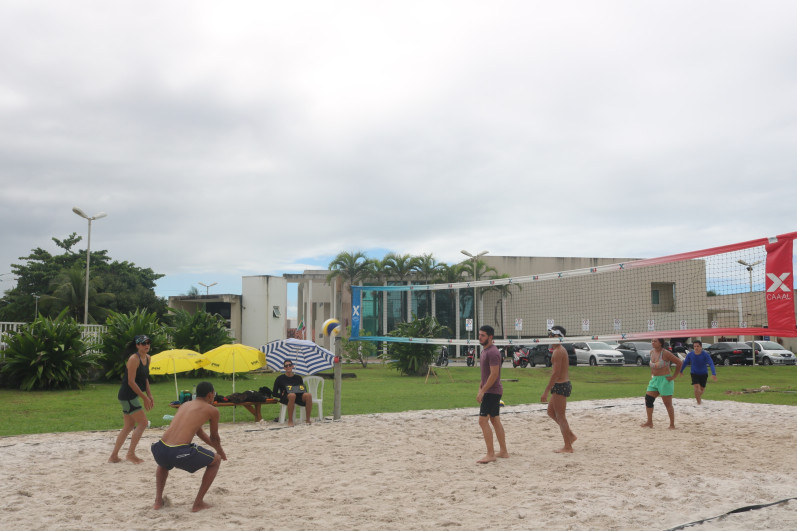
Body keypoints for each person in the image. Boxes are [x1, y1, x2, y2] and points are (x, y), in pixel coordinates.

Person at [151, 381, 227, 512]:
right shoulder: (212, 410)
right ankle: (198, 503)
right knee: (216, 461)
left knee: (163, 464)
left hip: (160, 449)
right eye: (214, 394)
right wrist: (220, 452)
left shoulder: (185, 405)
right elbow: (214, 438)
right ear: (210, 394)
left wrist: (217, 449)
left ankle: (158, 501)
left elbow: (199, 432)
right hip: (178, 452)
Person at [109, 334, 154, 464]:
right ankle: (130, 454)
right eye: (143, 343)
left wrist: (150, 395)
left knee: (128, 426)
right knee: (143, 423)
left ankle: (113, 456)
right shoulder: (134, 359)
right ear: (137, 345)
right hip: (127, 395)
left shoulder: (148, 358)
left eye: (148, 342)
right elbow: (131, 382)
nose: (146, 345)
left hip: (130, 396)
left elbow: (145, 378)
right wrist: (144, 398)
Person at [476, 325, 509, 464]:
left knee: (482, 421)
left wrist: (483, 391)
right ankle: (503, 451)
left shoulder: (493, 352)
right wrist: (480, 388)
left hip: (492, 391)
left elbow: (494, 374)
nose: (480, 337)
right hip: (490, 390)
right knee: (495, 420)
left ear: (490, 337)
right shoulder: (485, 351)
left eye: (483, 335)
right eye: (479, 335)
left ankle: (490, 454)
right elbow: (485, 375)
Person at [541, 326, 577, 453]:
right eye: (550, 335)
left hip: (561, 385)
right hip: (560, 385)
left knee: (561, 417)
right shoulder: (558, 350)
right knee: (550, 412)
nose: (550, 337)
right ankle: (570, 435)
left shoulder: (558, 351)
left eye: (553, 335)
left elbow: (555, 374)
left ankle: (568, 446)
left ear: (560, 337)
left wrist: (546, 391)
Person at [641, 338, 683, 429]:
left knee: (667, 403)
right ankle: (649, 422)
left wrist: (673, 377)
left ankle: (672, 425)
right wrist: (652, 375)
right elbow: (653, 366)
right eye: (652, 341)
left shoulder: (665, 353)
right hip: (655, 380)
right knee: (648, 399)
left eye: (655, 341)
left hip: (665, 380)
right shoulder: (652, 352)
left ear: (660, 343)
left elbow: (679, 362)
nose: (653, 342)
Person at [273, 360, 313, 426]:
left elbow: (302, 389)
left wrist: (303, 391)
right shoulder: (279, 378)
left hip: (298, 396)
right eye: (286, 366)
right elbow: (274, 393)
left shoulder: (298, 378)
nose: (288, 367)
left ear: (292, 366)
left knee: (308, 395)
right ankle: (290, 420)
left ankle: (308, 419)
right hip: (286, 397)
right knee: (292, 395)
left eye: (290, 365)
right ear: (284, 368)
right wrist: (281, 395)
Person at [680, 340, 717, 404]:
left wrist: (713, 373)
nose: (696, 348)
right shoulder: (690, 355)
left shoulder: (705, 355)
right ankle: (699, 403)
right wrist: (681, 370)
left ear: (701, 347)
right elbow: (685, 363)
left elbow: (711, 363)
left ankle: (698, 399)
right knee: (696, 388)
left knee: (701, 390)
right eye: (695, 346)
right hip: (694, 373)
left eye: (698, 346)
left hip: (704, 374)